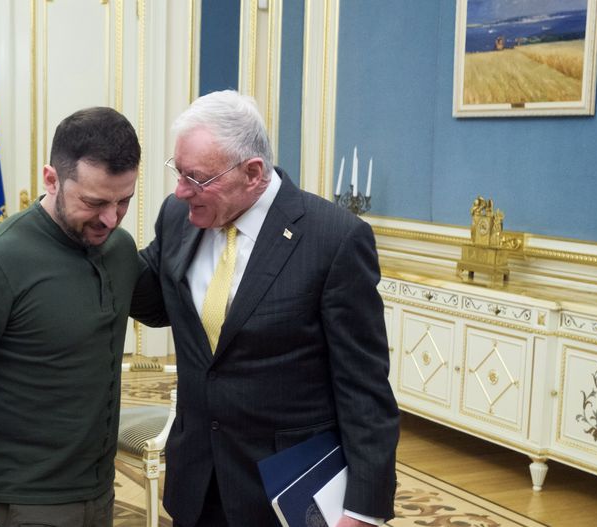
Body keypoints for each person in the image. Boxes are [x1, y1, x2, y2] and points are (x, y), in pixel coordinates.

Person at [131, 90, 399, 527]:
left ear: (253, 172)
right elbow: (153, 298)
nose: (180, 191)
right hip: (197, 484)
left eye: (195, 178)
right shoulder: (181, 217)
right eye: (177, 173)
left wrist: (363, 510)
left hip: (285, 493)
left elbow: (364, 388)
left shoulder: (333, 240)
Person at [0, 107, 141, 527]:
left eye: (123, 201)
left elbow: (175, 303)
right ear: (51, 179)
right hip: (19, 503)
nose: (110, 218)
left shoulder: (120, 249)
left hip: (99, 493)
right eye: (93, 202)